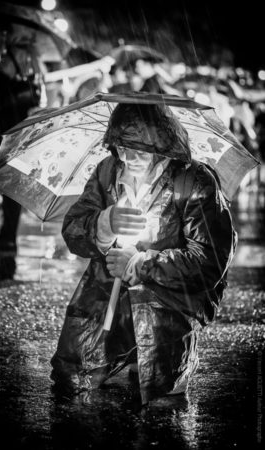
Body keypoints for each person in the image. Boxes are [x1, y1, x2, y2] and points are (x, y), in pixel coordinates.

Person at [51, 103, 237, 406]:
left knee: (159, 397)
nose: (128, 157)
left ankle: (149, 364)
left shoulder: (195, 182)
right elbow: (73, 230)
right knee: (74, 382)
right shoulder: (107, 172)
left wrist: (142, 264)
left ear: (162, 143)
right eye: (121, 147)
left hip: (167, 306)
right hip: (105, 298)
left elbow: (209, 261)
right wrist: (104, 224)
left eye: (138, 148)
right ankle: (113, 358)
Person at [0, 25, 44, 252]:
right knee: (11, 185)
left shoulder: (16, 54)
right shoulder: (31, 56)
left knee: (10, 185)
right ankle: (7, 234)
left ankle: (8, 237)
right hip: (16, 129)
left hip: (7, 130)